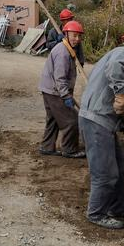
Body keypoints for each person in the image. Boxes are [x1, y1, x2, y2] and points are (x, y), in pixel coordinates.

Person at [78, 26, 124, 230]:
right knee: (105, 172)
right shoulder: (123, 54)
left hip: (106, 122)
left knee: (119, 167)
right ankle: (96, 213)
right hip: (96, 121)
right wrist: (120, 95)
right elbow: (116, 71)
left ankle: (118, 207)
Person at [38, 21, 86, 159]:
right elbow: (60, 78)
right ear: (65, 34)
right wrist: (66, 96)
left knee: (53, 119)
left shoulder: (67, 48)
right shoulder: (62, 52)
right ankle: (69, 150)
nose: (77, 39)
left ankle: (47, 147)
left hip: (49, 89)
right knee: (71, 121)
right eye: (74, 35)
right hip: (55, 92)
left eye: (79, 36)